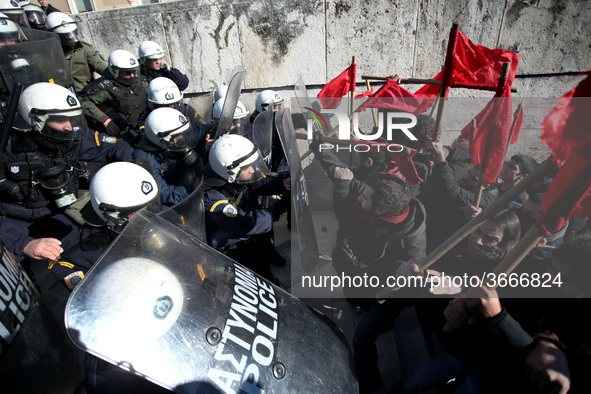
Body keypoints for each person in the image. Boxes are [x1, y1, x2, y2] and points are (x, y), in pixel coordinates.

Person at [434, 234, 591, 394]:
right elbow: (488, 290)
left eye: (565, 280)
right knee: (418, 379)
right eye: (552, 268)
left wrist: (497, 318)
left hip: (503, 384)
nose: (553, 279)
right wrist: (463, 306)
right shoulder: (533, 270)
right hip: (476, 356)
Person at [0, 82, 133, 271]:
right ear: (38, 120)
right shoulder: (6, 150)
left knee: (118, 240)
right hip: (19, 223)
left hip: (64, 207)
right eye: (62, 119)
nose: (69, 127)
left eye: (71, 120)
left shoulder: (66, 137)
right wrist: (23, 244)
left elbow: (117, 147)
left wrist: (135, 167)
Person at [199, 133, 290, 284]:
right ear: (231, 171)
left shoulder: (233, 177)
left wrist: (282, 182)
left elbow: (258, 183)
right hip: (233, 250)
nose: (253, 170)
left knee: (263, 255)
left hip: (250, 234)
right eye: (248, 167)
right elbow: (244, 223)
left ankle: (269, 258)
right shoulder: (212, 198)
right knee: (258, 277)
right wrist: (277, 209)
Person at [133, 107, 208, 205]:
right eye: (177, 136)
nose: (182, 138)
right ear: (161, 139)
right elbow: (163, 193)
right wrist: (193, 188)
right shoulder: (144, 159)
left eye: (183, 133)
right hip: (172, 202)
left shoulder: (176, 133)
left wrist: (215, 132)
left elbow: (204, 129)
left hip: (184, 179)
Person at [80, 49, 148, 137]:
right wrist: (105, 120)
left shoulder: (140, 81)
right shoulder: (106, 86)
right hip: (123, 130)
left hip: (144, 123)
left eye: (134, 71)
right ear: (115, 71)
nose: (132, 75)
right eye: (127, 72)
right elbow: (84, 101)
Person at [45, 12, 108, 95]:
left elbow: (101, 66)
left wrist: (117, 74)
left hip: (85, 94)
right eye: (66, 35)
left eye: (72, 33)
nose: (71, 37)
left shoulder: (85, 49)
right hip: (61, 96)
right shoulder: (48, 54)